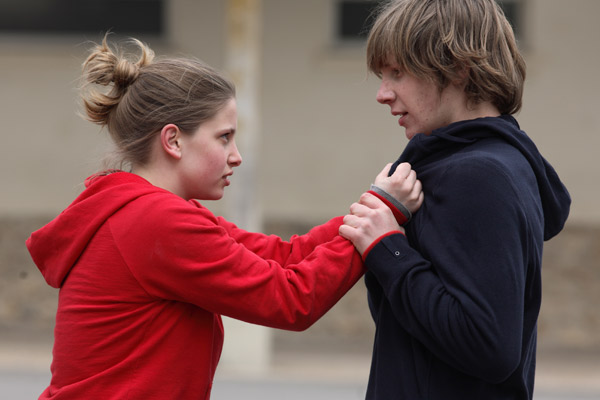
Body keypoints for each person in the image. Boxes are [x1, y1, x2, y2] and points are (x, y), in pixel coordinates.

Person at [25, 36, 422, 399]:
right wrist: (382, 214)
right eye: (224, 137)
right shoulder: (156, 222)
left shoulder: (148, 210)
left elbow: (283, 256)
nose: (236, 156)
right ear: (174, 140)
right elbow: (288, 300)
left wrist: (372, 209)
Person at [339, 1, 571, 399]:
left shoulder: (479, 175)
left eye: (398, 73)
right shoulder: (483, 165)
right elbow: (411, 329)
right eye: (382, 75)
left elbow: (488, 345)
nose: (382, 93)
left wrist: (387, 247)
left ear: (459, 68)